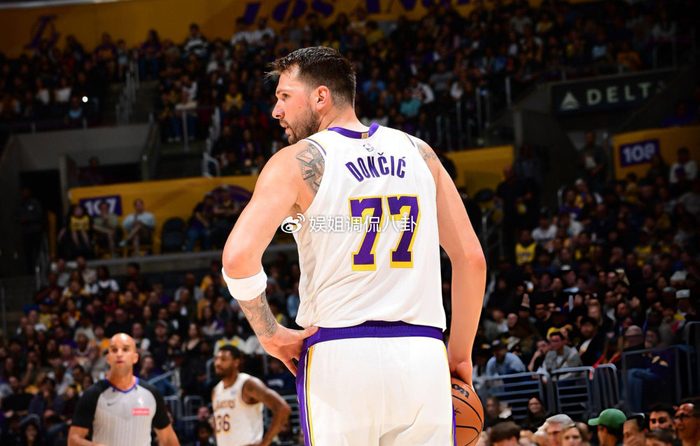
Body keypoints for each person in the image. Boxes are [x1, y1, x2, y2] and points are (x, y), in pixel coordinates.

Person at [221, 46, 486, 444]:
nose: (276, 111)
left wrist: (270, 334)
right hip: (423, 355)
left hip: (339, 355)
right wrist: (460, 355)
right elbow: (471, 259)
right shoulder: (421, 153)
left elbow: (238, 258)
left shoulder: (296, 161)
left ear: (320, 96)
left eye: (284, 96)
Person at [68, 333, 180, 446]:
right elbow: (73, 440)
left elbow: (168, 440)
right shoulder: (93, 394)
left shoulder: (151, 394)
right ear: (108, 358)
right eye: (114, 350)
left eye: (125, 349)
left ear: (135, 358)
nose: (119, 354)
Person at [211, 345, 290, 446]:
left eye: (223, 359)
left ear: (236, 362)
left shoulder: (247, 384)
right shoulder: (215, 390)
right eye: (216, 359)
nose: (217, 363)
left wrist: (265, 442)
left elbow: (283, 408)